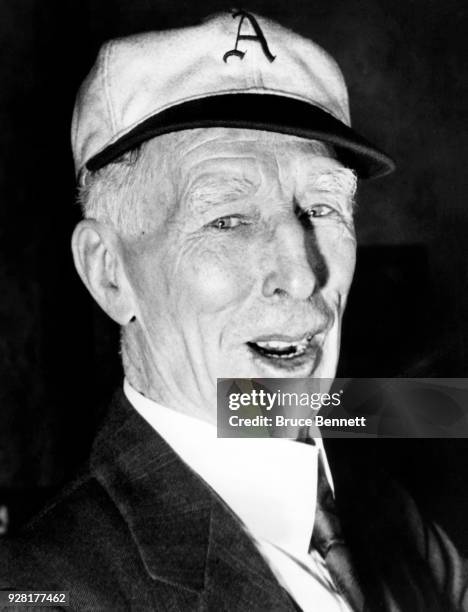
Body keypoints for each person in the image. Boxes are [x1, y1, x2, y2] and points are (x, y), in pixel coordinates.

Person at [1, 10, 466, 611]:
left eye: (320, 207)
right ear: (109, 273)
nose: (302, 276)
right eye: (228, 220)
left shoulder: (393, 518)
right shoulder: (44, 588)